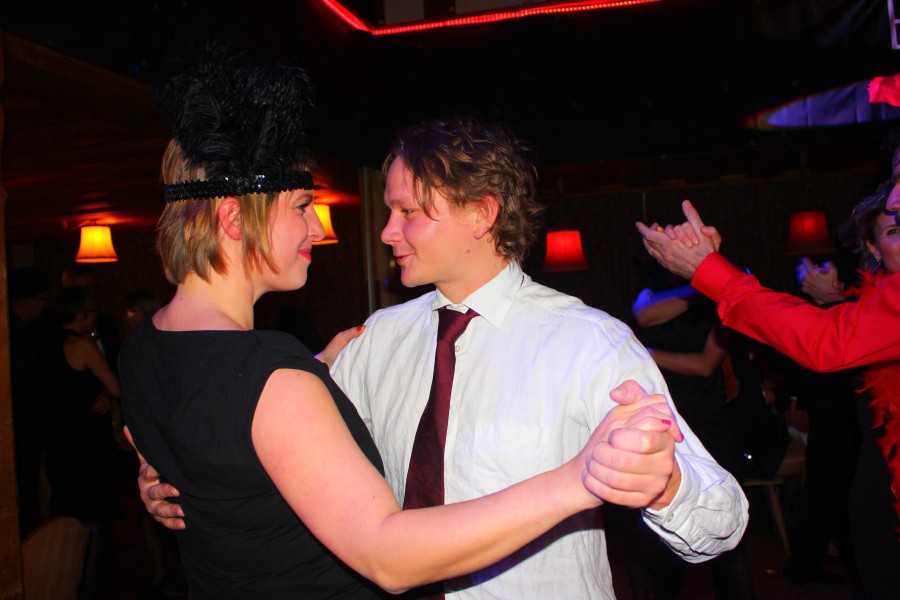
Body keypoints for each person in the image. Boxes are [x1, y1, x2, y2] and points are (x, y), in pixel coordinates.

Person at [121, 47, 686, 599]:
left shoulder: (587, 340)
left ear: (481, 214)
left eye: (408, 212)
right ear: (232, 218)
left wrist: (658, 481)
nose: (379, 232)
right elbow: (368, 535)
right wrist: (577, 478)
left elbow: (717, 513)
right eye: (301, 207)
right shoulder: (356, 347)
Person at [636, 187, 900, 599]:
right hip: (877, 464)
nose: (896, 201)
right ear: (872, 248)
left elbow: (827, 342)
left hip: (716, 419)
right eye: (894, 227)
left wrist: (709, 272)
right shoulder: (875, 299)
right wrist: (707, 273)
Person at [630, 267, 756, 599]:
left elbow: (705, 365)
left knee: (722, 521)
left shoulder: (723, 309)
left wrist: (647, 355)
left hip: (708, 421)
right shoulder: (651, 295)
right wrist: (703, 288)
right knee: (655, 527)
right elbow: (644, 316)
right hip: (663, 420)